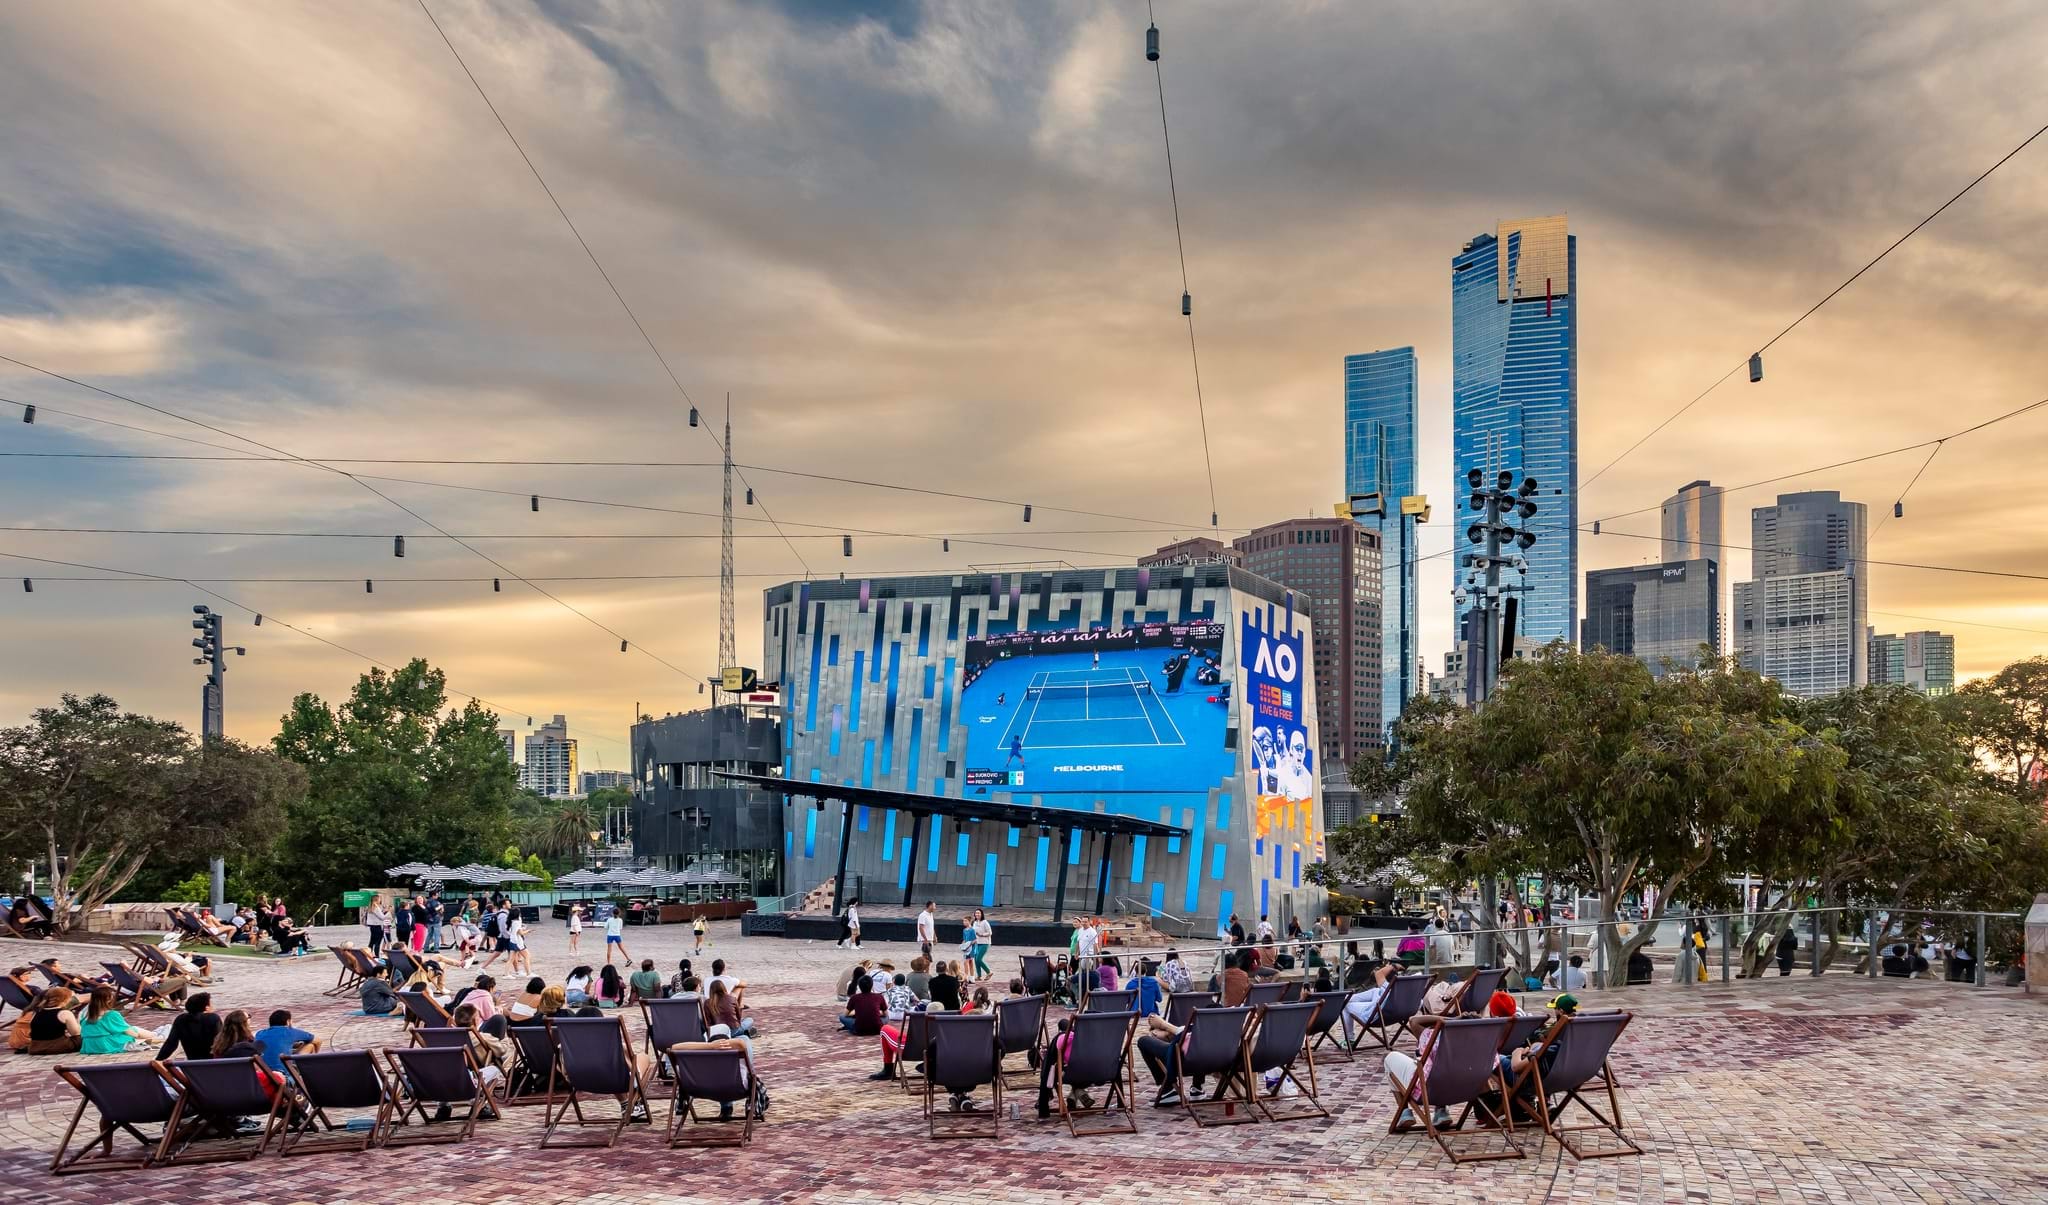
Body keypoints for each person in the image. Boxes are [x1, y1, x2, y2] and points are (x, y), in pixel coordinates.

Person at [1339, 962, 1404, 1047]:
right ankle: (1344, 998)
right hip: (1393, 1014)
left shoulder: (1387, 988)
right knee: (1375, 991)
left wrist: (1394, 966)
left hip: (1375, 1016)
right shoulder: (1406, 993)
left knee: (1346, 1005)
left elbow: (1379, 974)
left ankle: (1349, 1039)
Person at [80, 985, 152, 1054]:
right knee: (133, 1029)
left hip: (90, 1046)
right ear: (108, 999)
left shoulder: (86, 1015)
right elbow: (132, 1033)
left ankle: (156, 1035)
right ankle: (156, 1036)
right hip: (106, 1045)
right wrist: (137, 1036)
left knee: (123, 1029)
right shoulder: (111, 1015)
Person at [159, 993, 221, 1061]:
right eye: (211, 1004)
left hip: (192, 1063)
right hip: (214, 1063)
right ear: (206, 1007)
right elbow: (222, 1041)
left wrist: (158, 1060)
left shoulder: (181, 1019)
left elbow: (171, 1044)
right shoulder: (213, 1018)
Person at [253, 1009, 321, 1071]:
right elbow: (318, 1041)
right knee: (311, 1045)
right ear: (288, 1021)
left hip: (263, 1073)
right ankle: (315, 1067)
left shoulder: (259, 1033)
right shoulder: (289, 1031)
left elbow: (273, 1045)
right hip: (284, 1074)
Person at [25, 986, 83, 1055]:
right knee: (83, 1038)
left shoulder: (36, 1012)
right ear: (65, 1000)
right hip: (57, 1046)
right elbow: (76, 1033)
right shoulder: (64, 1013)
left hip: (35, 1047)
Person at [971, 910, 993, 982]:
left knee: (979, 959)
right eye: (976, 913)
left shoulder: (985, 922)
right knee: (976, 959)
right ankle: (979, 976)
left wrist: (982, 935)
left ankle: (988, 972)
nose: (977, 914)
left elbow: (990, 932)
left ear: (981, 914)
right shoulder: (974, 923)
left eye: (979, 913)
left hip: (985, 943)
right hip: (977, 942)